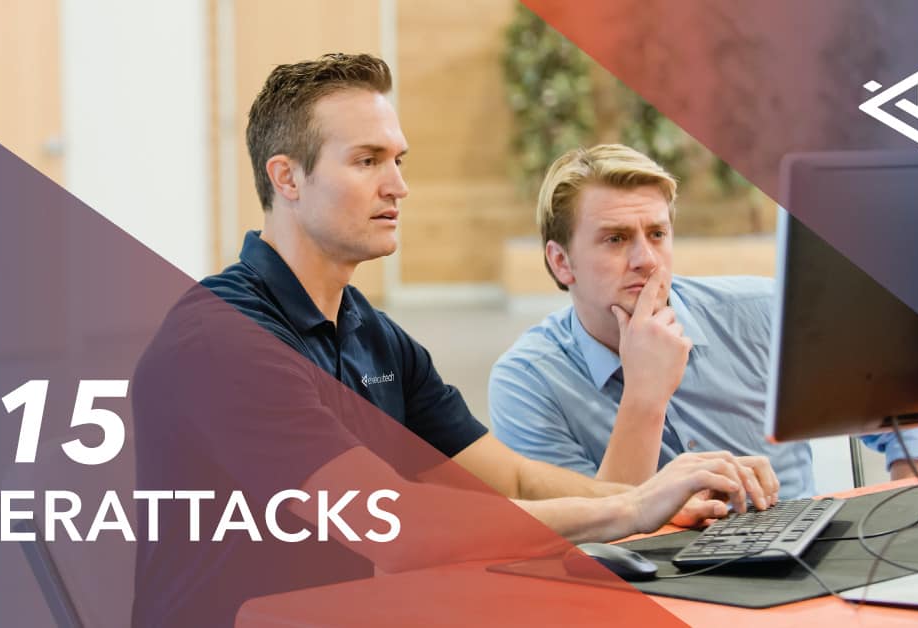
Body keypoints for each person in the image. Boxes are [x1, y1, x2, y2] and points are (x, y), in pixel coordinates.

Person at [131, 55, 773, 627]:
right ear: (288, 179)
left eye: (398, 161)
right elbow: (397, 526)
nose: (398, 186)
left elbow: (513, 479)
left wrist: (676, 497)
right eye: (367, 161)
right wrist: (629, 509)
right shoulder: (222, 339)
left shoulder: (370, 333)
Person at [488, 144, 918, 500]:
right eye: (615, 239)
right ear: (561, 262)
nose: (645, 259)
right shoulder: (528, 383)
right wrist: (645, 396)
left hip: (803, 573)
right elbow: (591, 539)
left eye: (657, 234)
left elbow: (913, 403)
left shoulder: (761, 313)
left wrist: (917, 495)